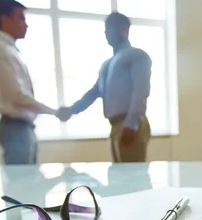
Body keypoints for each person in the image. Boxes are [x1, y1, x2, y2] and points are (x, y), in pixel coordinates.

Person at [58, 12, 152, 163]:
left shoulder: (137, 56)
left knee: (133, 178)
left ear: (123, 29)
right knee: (119, 178)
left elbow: (141, 91)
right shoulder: (107, 64)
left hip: (130, 123)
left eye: (109, 29)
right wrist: (71, 110)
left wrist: (131, 125)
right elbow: (94, 93)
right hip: (115, 126)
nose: (106, 33)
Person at [0, 0, 60, 165]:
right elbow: (17, 96)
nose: (25, 25)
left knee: (30, 181)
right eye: (21, 18)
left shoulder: (10, 51)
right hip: (14, 128)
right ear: (5, 19)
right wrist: (54, 112)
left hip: (23, 127)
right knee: (22, 184)